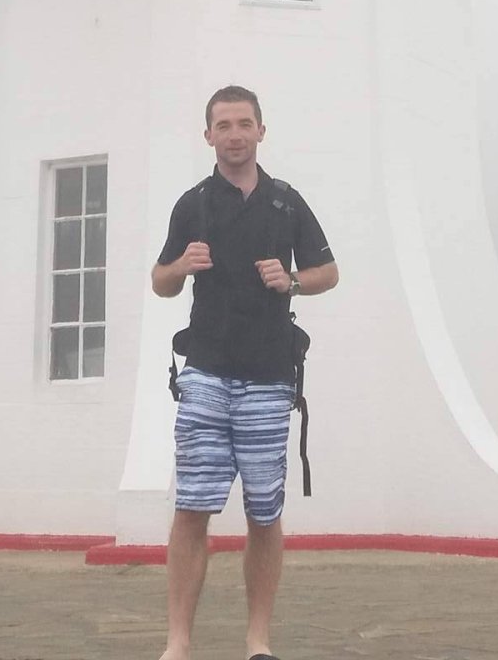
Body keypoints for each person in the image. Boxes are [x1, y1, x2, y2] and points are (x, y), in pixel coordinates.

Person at [151, 84, 339, 660]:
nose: (234, 135)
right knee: (192, 508)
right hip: (205, 373)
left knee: (264, 511)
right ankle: (178, 642)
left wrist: (293, 281)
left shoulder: (286, 202)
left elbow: (328, 271)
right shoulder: (192, 203)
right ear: (208, 135)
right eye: (223, 125)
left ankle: (258, 641)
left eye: (243, 124)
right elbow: (160, 282)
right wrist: (181, 266)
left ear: (261, 130)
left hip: (269, 375)